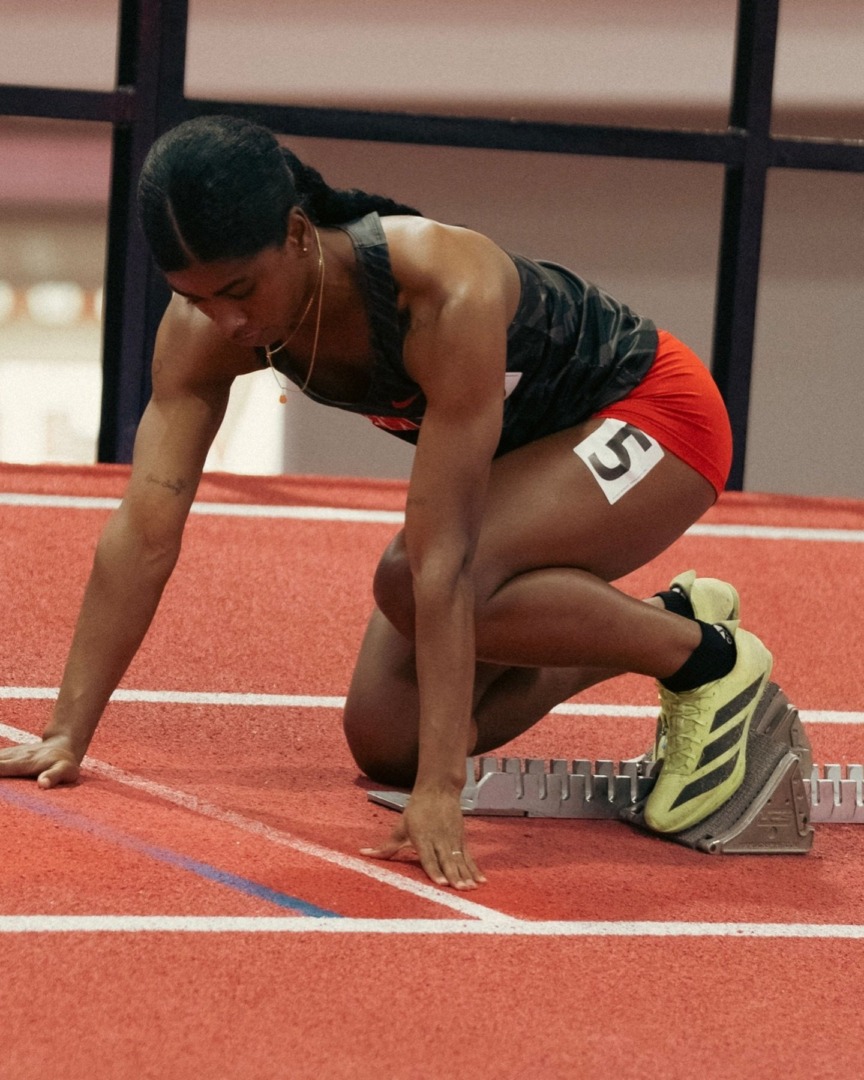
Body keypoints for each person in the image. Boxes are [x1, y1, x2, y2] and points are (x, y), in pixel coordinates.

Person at [0, 115, 773, 890]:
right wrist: (68, 731)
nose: (227, 321)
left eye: (239, 289)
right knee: (387, 742)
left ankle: (709, 662)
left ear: (299, 235)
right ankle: (664, 621)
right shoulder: (206, 327)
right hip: (530, 454)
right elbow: (145, 529)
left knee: (415, 579)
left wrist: (442, 790)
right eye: (195, 297)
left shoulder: (443, 288)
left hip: (652, 413)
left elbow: (444, 557)